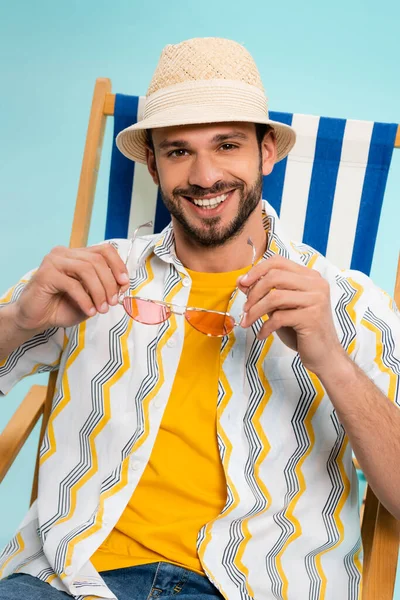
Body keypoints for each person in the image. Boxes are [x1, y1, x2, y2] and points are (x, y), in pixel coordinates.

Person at [0, 37, 399, 600]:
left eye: (228, 145)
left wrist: (329, 359)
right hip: (69, 580)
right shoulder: (92, 276)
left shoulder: (347, 302)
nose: (205, 176)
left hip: (256, 587)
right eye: (180, 151)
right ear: (152, 164)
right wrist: (18, 320)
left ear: (267, 152)